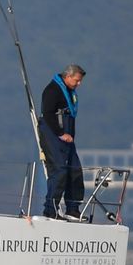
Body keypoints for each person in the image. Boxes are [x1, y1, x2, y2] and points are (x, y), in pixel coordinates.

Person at [38, 64, 86, 219]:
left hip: (68, 139)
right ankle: (50, 210)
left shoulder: (70, 92)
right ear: (68, 77)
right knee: (59, 170)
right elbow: (47, 113)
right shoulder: (52, 90)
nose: (79, 84)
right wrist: (60, 133)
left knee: (75, 169)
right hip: (54, 134)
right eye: (77, 81)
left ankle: (73, 208)